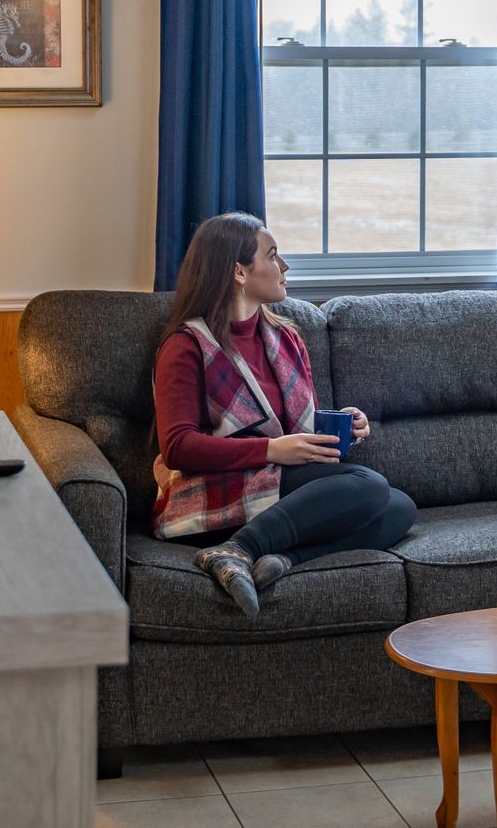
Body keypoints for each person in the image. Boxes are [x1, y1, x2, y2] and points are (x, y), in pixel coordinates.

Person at [150, 212, 416, 617]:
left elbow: (294, 426)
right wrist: (272, 450)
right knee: (370, 484)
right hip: (216, 489)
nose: (284, 266)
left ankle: (283, 558)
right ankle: (239, 547)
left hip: (278, 482)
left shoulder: (285, 336)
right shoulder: (187, 347)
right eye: (272, 255)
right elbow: (177, 447)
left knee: (400, 507)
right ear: (239, 271)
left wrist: (345, 421)